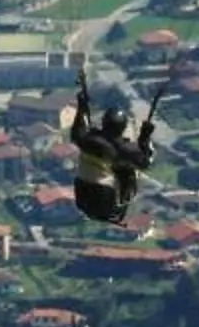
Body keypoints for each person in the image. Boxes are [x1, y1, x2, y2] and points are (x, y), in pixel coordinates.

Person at [67, 72, 156, 225]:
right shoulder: (123, 150)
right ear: (122, 127)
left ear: (104, 122)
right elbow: (145, 162)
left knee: (114, 167)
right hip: (106, 207)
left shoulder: (85, 138)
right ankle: (121, 206)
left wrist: (82, 103)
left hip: (81, 200)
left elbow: (80, 123)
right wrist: (145, 137)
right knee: (128, 171)